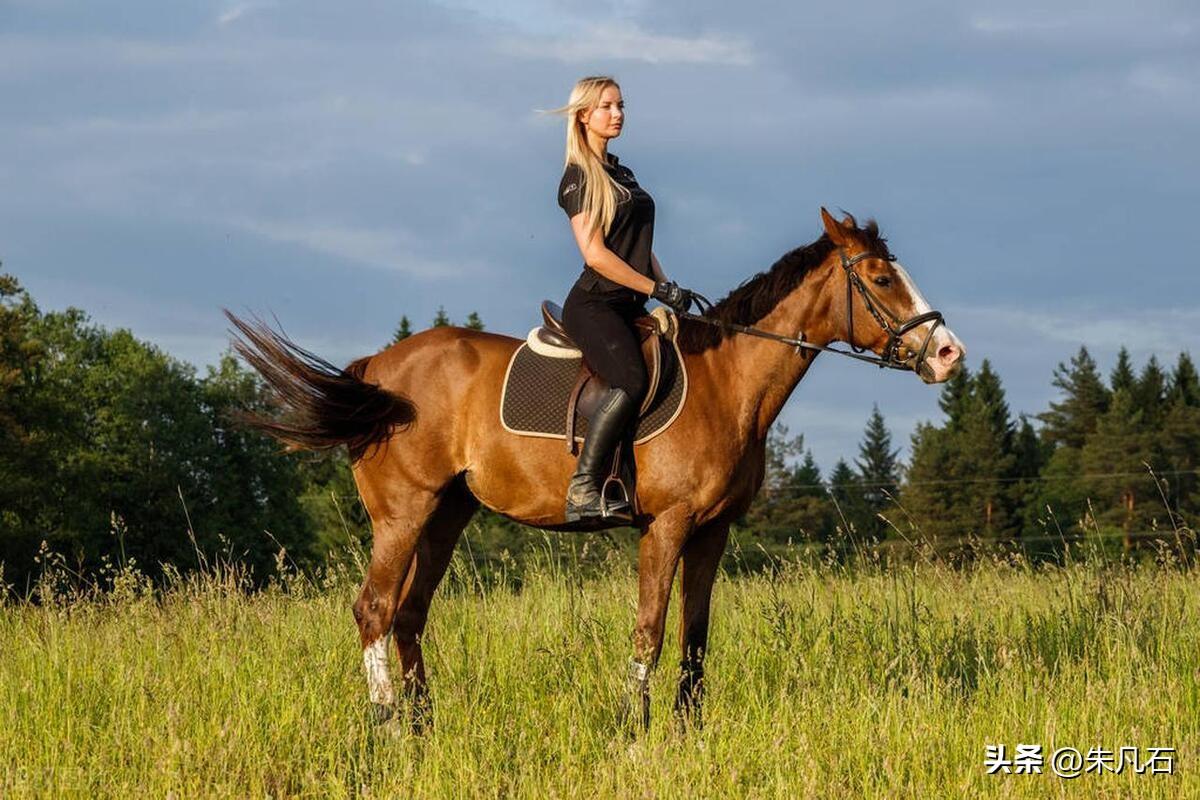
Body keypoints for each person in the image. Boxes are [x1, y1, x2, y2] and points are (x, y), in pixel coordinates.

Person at [552, 76, 698, 523]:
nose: (617, 114)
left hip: (633, 302)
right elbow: (596, 255)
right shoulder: (577, 178)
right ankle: (583, 488)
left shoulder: (623, 172)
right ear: (583, 116)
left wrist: (668, 288)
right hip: (595, 305)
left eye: (620, 106)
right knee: (630, 381)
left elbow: (639, 245)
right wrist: (653, 289)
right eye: (606, 107)